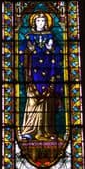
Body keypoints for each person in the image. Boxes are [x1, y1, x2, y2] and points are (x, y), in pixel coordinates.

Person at [20, 12, 62, 140]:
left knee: (47, 101)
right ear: (34, 22)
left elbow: (58, 53)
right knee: (33, 99)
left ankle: (46, 130)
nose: (41, 23)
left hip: (48, 73)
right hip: (33, 74)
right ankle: (29, 130)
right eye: (38, 21)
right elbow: (22, 53)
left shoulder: (51, 36)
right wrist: (29, 51)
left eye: (43, 21)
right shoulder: (29, 37)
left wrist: (51, 49)